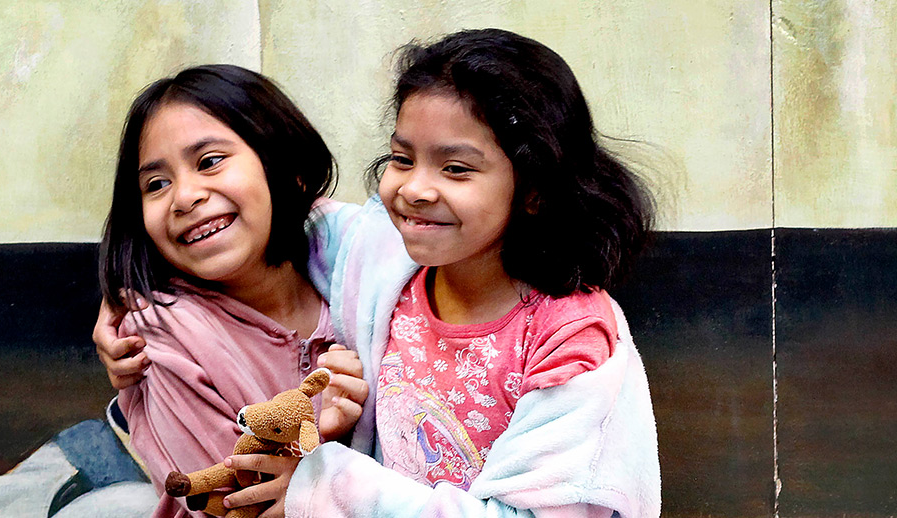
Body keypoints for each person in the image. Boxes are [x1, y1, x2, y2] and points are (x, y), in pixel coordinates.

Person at [97, 28, 661, 518]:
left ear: (535, 187)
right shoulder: (386, 257)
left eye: (456, 168)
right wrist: (123, 290)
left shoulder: (571, 339)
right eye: (401, 158)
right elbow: (285, 218)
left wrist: (328, 486)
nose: (414, 188)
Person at [97, 64, 369, 518]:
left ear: (287, 168)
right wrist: (326, 439)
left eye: (209, 161)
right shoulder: (163, 332)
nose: (184, 197)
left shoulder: (363, 283)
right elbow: (229, 505)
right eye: (156, 184)